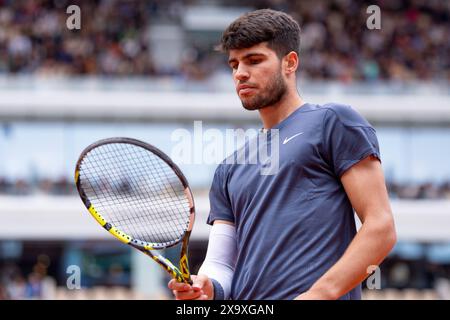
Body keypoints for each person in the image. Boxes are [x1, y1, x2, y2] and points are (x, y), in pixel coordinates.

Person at [168, 8, 396, 300]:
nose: (240, 73)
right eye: (234, 64)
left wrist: (320, 294)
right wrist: (209, 287)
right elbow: (222, 263)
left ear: (290, 63)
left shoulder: (334, 122)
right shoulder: (229, 168)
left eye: (254, 60)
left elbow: (381, 227)